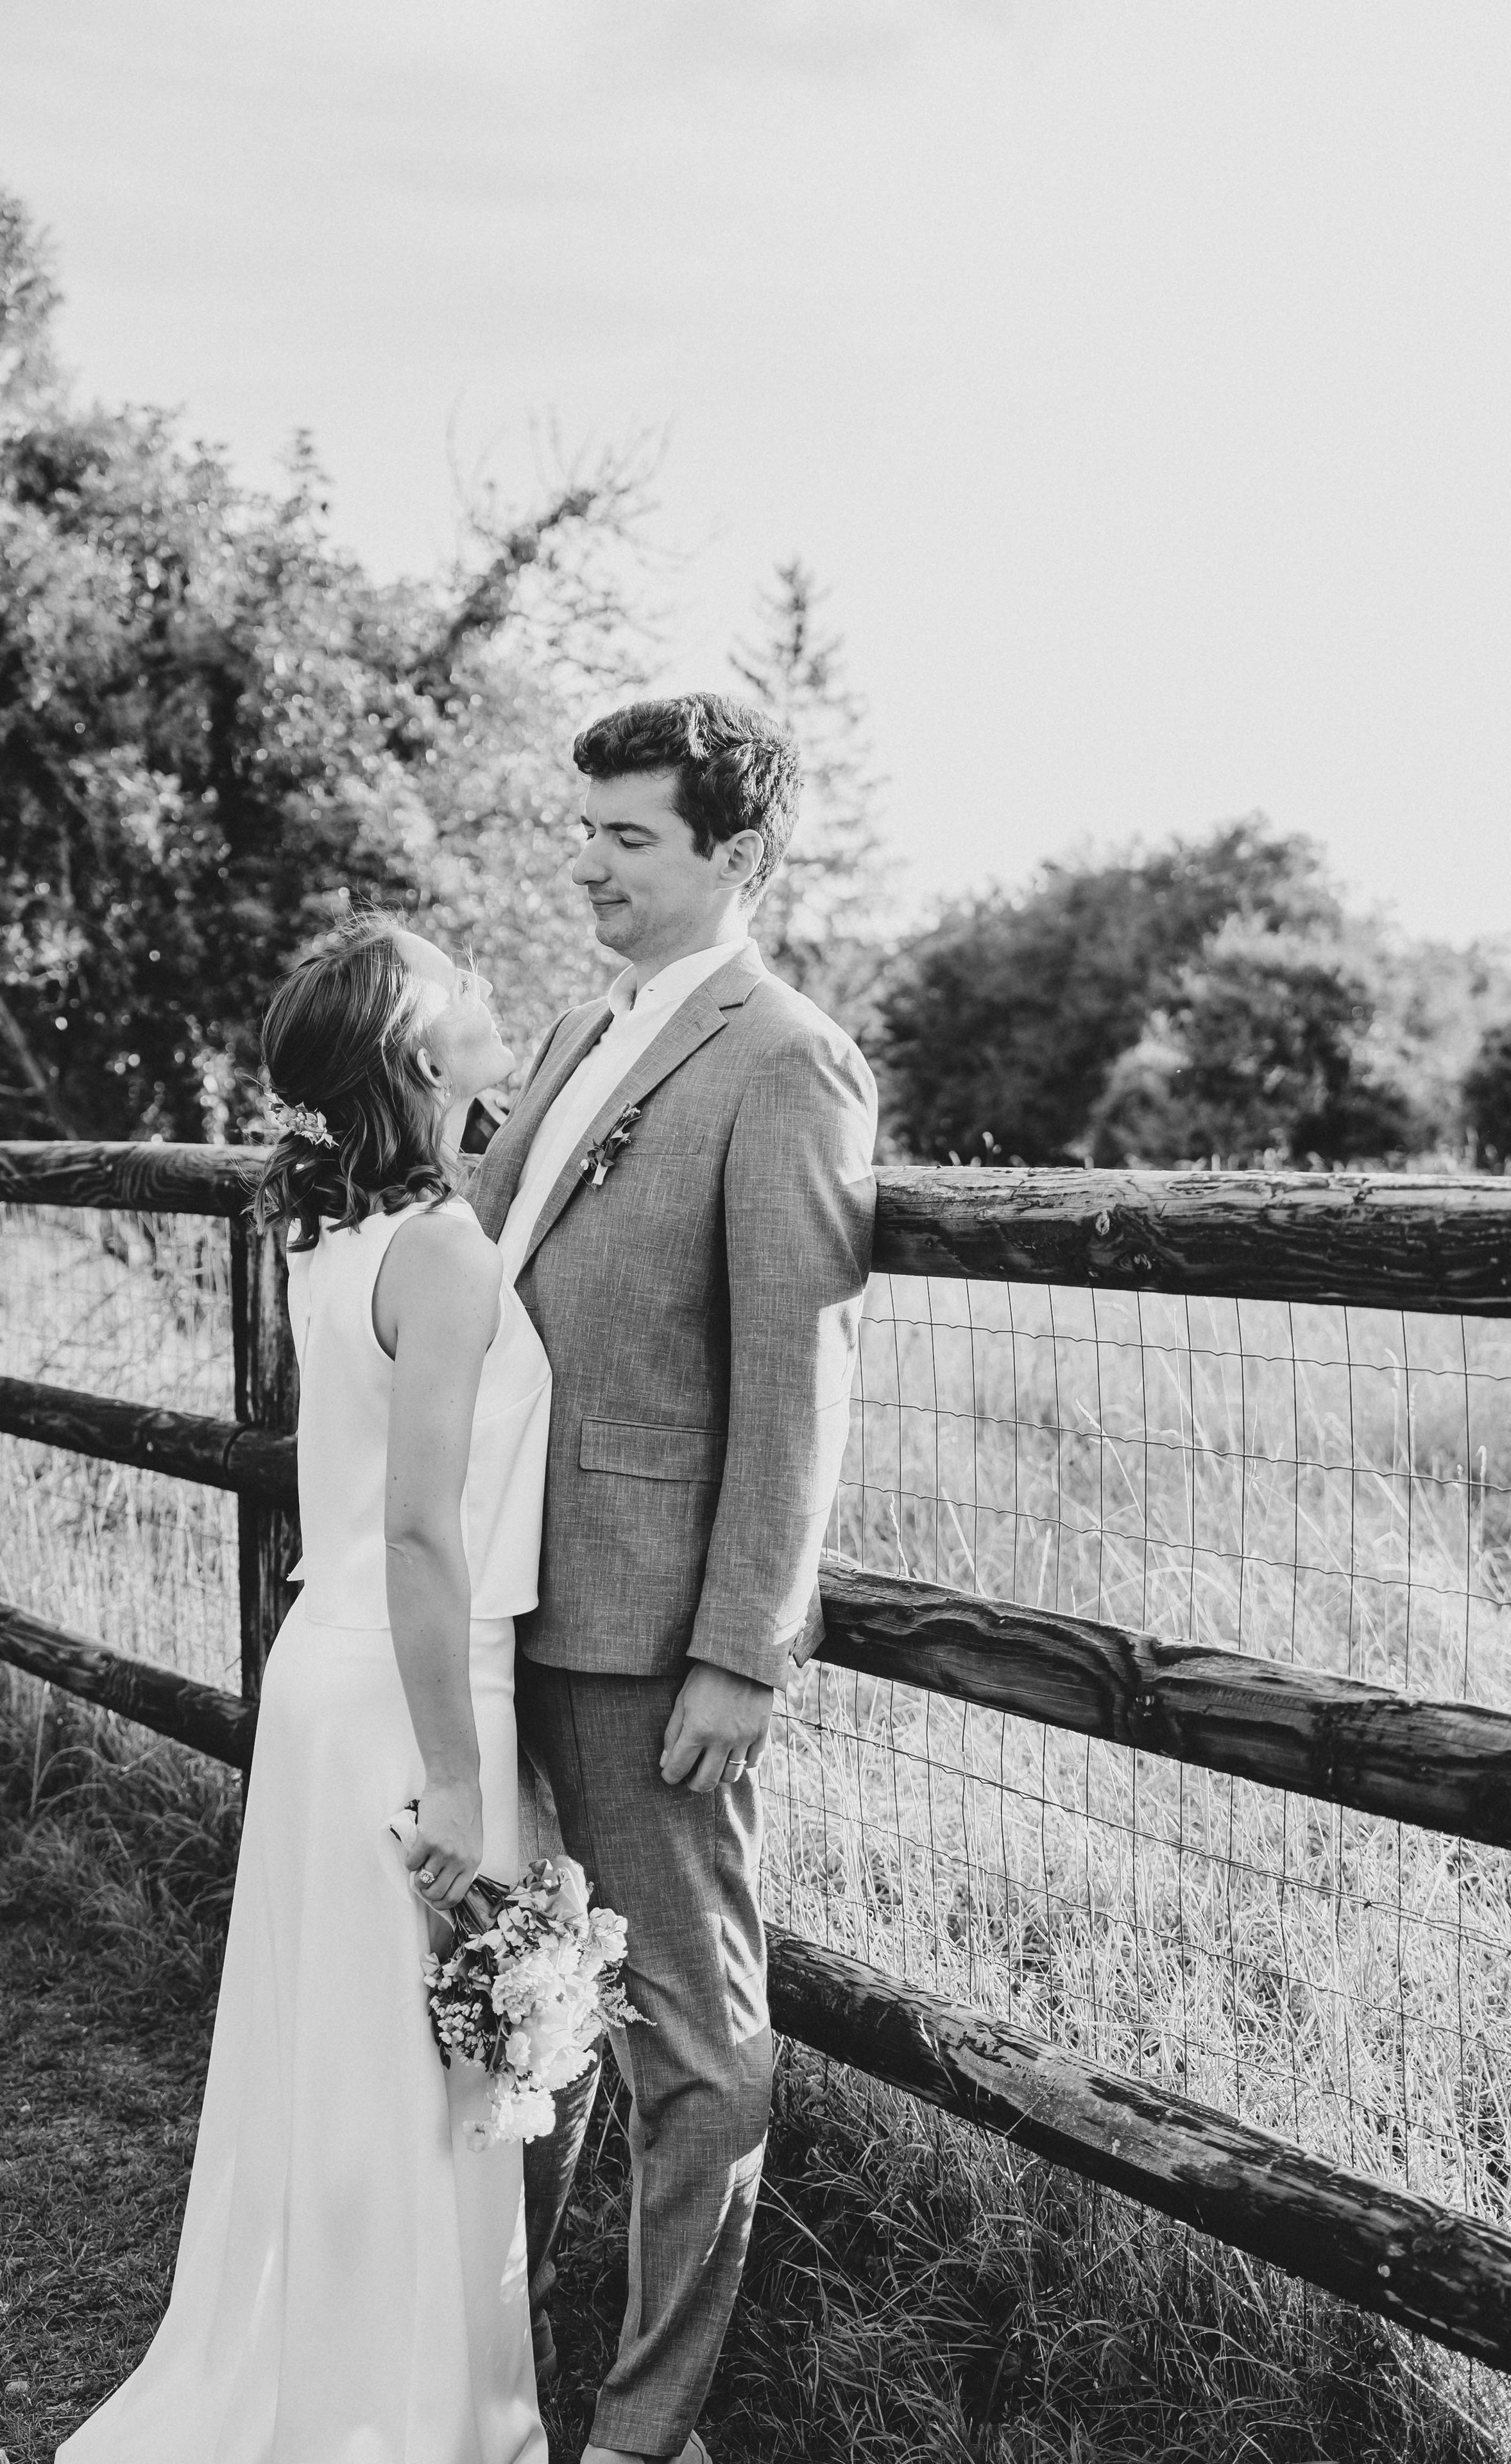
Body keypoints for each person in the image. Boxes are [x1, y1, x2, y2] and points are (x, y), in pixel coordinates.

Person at [59, 921, 553, 2464]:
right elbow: (421, 1531)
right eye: (470, 1000)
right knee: (405, 2072)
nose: (493, 1008)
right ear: (419, 1056)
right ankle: (402, 2420)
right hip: (412, 1685)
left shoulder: (337, 1225)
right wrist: (465, 1783)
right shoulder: (446, 1250)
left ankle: (352, 2385)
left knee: (341, 2059)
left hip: (326, 1667)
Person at [474, 693, 878, 2464]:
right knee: (518, 1991)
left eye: (630, 838)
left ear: (738, 854)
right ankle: (506, 2362)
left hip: (652, 1633)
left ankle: (644, 2432)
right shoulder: (580, 1026)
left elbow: (802, 1371)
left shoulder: (786, 1056)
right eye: (585, 832)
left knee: (698, 2052)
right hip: (507, 1598)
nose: (590, 866)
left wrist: (745, 1651)